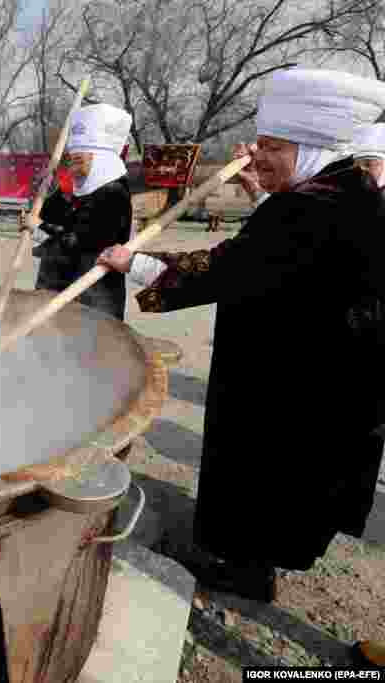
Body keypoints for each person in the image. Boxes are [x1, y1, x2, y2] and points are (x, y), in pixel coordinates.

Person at [95, 68, 385, 602]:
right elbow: (282, 258)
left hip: (287, 378)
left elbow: (229, 268)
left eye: (275, 146)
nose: (258, 155)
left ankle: (243, 570)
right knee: (287, 478)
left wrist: (132, 262)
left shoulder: (309, 209)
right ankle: (256, 560)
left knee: (263, 471)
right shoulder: (349, 189)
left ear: (313, 145)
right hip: (323, 373)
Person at [21, 103, 134, 320]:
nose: (72, 169)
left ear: (100, 159)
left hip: (92, 303)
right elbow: (47, 217)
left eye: (78, 161)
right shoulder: (78, 189)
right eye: (70, 161)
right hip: (57, 295)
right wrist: (51, 191)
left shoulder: (113, 194)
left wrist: (38, 228)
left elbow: (81, 244)